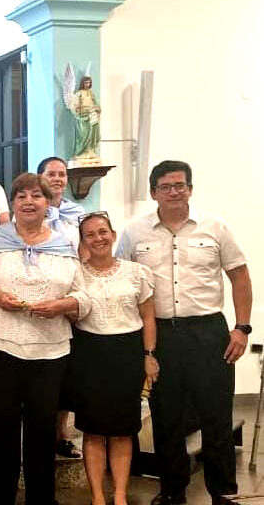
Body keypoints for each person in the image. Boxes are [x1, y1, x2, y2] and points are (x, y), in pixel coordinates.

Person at [117, 161, 252, 505]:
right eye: (166, 186)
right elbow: (121, 279)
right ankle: (173, 489)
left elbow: (239, 276)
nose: (174, 191)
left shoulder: (215, 226)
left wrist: (241, 327)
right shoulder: (135, 232)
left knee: (216, 413)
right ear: (153, 193)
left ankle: (223, 492)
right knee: (166, 415)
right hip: (160, 334)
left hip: (208, 331)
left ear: (190, 189)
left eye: (180, 185)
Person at [0, 172, 90, 505]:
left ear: (47, 203)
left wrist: (63, 304)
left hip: (50, 351)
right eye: (21, 196)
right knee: (1, 428)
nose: (29, 202)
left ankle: (41, 499)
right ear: (13, 203)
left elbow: (85, 298)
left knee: (43, 430)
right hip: (1, 346)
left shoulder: (64, 244)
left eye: (36, 195)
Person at [72, 212, 158, 505]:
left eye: (103, 232)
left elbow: (148, 317)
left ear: (113, 234)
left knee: (122, 430)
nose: (98, 238)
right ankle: (97, 496)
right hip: (89, 354)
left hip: (128, 353)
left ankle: (120, 495)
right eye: (90, 235)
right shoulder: (75, 273)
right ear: (82, 241)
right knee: (93, 430)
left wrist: (149, 356)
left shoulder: (137, 272)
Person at [37, 156, 86, 459]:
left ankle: (63, 432)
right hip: (41, 293)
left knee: (67, 370)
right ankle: (40, 432)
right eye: (50, 174)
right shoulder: (34, 212)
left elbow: (85, 251)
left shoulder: (76, 215)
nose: (57, 178)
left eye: (61, 174)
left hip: (69, 294)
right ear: (40, 177)